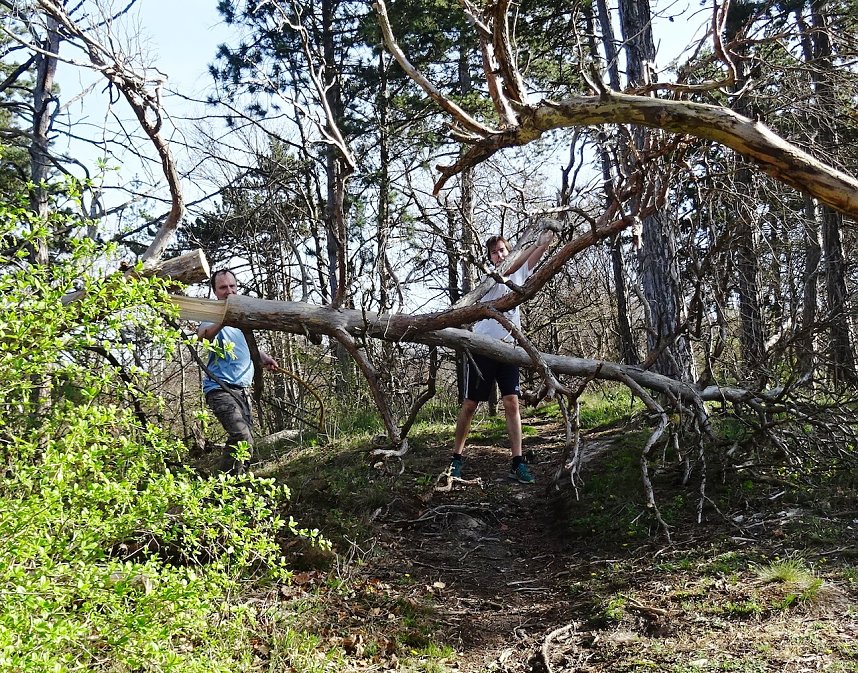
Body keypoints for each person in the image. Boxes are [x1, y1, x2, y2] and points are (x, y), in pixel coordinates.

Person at [449, 229, 554, 484]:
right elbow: (506, 271)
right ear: (490, 257)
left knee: (512, 403)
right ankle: (456, 460)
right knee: (471, 405)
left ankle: (518, 462)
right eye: (494, 252)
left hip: (509, 349)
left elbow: (539, 250)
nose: (499, 255)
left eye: (503, 250)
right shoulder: (489, 277)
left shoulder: (519, 272)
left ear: (510, 250)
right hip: (483, 347)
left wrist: (548, 232)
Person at [198, 269, 278, 475]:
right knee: (242, 437)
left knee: (246, 441)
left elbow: (246, 346)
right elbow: (203, 336)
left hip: (243, 391)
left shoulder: (243, 317)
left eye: (232, 286)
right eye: (223, 287)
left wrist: (263, 358)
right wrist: (224, 317)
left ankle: (238, 485)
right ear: (215, 292)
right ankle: (222, 490)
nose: (229, 291)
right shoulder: (211, 312)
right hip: (220, 389)